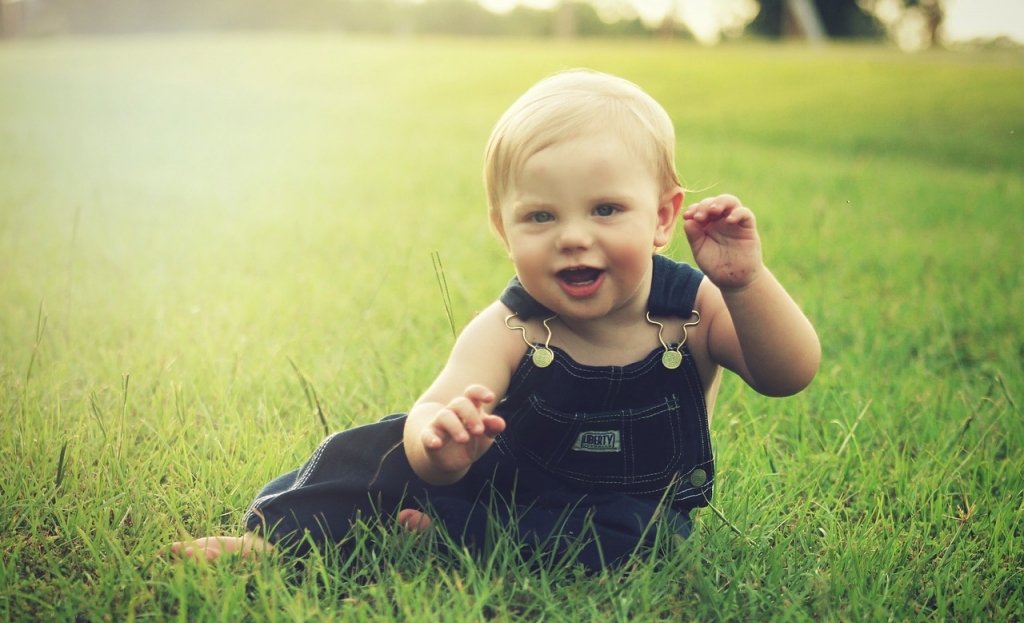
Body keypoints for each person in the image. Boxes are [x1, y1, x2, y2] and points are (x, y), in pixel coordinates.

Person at [170, 69, 820, 569]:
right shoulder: (510, 327)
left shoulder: (697, 309)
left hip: (624, 512)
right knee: (379, 447)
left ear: (661, 217)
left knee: (640, 540)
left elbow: (787, 373)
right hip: (502, 482)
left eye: (605, 210)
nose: (572, 236)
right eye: (540, 216)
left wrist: (747, 284)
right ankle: (278, 539)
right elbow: (437, 406)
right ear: (502, 230)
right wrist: (440, 445)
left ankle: (445, 537)